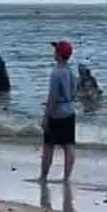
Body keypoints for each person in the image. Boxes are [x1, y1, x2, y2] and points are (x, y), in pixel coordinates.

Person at [38, 40, 77, 183]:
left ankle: (43, 177)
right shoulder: (70, 71)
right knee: (69, 146)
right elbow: (74, 93)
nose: (53, 53)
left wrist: (46, 116)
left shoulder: (56, 73)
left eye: (55, 50)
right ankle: (66, 178)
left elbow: (52, 97)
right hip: (70, 110)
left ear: (59, 54)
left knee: (48, 146)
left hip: (57, 112)